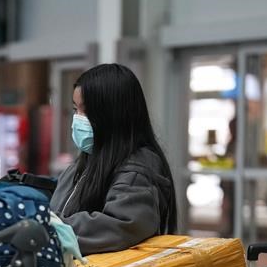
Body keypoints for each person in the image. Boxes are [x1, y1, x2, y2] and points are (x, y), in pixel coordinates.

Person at [50, 63, 177, 255]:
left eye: (87, 111)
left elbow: (122, 224)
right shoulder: (86, 162)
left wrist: (49, 228)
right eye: (76, 109)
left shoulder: (137, 170)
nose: (78, 119)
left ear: (113, 114)